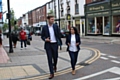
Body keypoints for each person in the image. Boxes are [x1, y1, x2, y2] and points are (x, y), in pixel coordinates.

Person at [41, 14, 62, 79]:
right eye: (52, 19)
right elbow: (42, 36)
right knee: (49, 59)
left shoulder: (56, 26)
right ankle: (51, 73)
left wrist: (60, 43)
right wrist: (45, 39)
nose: (53, 20)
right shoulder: (44, 27)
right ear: (48, 20)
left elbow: (58, 35)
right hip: (48, 45)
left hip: (55, 44)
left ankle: (54, 65)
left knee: (55, 57)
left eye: (53, 19)